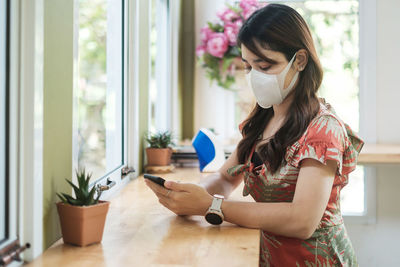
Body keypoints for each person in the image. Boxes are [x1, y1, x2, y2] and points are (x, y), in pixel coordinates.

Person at [145, 3, 363, 266]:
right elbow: (226, 179)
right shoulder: (263, 118)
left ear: (300, 61)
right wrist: (189, 196)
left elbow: (302, 221)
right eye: (248, 66)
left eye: (264, 66)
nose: (253, 77)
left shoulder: (323, 130)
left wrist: (211, 206)